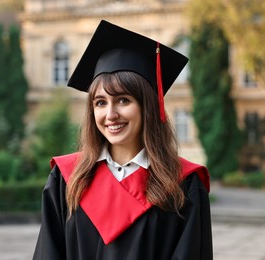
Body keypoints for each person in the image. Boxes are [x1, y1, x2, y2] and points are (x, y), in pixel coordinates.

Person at [33, 20, 213, 260]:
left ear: (147, 106)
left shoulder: (183, 184)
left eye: (123, 100)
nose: (110, 115)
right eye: (100, 103)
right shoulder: (67, 178)